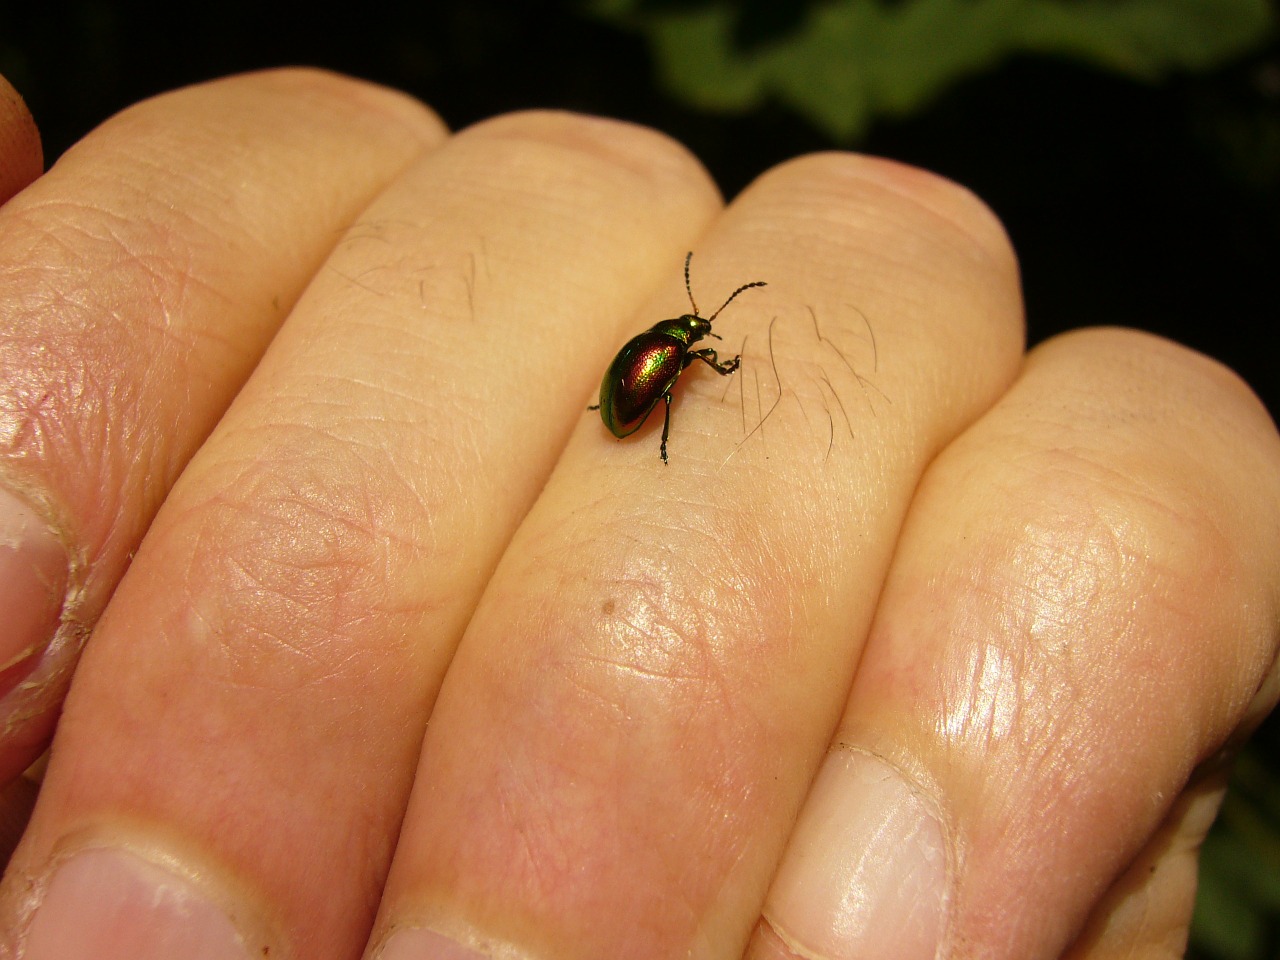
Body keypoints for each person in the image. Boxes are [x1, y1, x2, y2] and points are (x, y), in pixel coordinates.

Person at [0, 68, 1276, 960]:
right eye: (699, 333)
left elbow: (650, 382)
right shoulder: (670, 354)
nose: (704, 344)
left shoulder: (667, 351)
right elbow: (650, 386)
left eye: (699, 337)